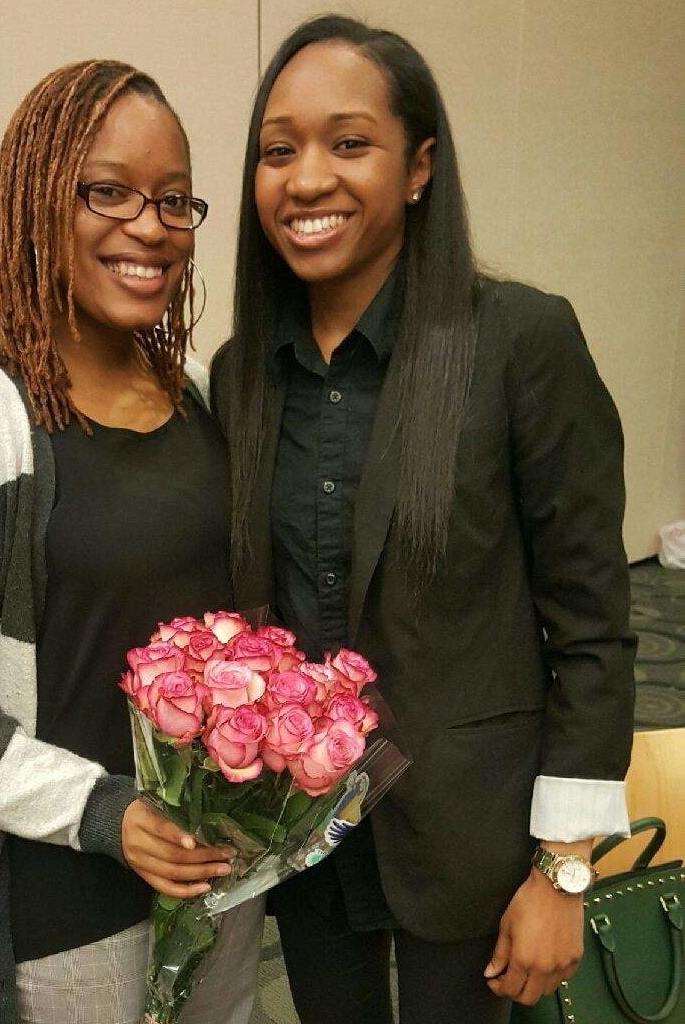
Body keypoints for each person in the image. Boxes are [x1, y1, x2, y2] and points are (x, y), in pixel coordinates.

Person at [211, 15, 635, 1024]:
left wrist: (565, 868)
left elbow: (591, 621)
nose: (306, 178)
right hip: (308, 838)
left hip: (474, 836)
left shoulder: (518, 341)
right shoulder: (241, 378)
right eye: (279, 151)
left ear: (419, 168)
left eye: (349, 143)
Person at [0, 60, 262, 1024]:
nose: (149, 226)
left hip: (218, 865)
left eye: (171, 199)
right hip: (60, 901)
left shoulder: (199, 393)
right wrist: (106, 814)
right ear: (37, 202)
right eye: (107, 192)